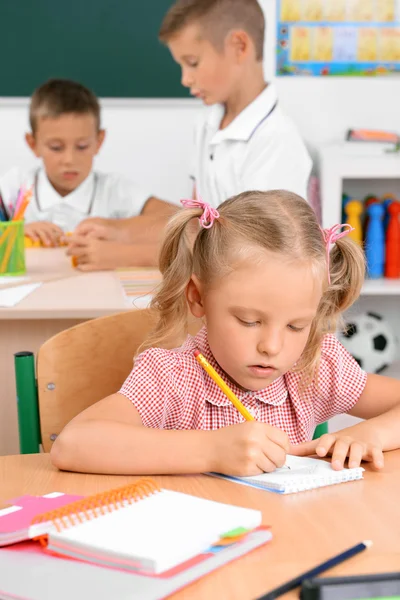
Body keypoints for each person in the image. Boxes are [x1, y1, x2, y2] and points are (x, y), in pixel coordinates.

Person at [51, 189, 400, 476]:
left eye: (296, 325)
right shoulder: (171, 376)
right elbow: (74, 444)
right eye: (249, 321)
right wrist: (212, 451)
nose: (272, 346)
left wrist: (370, 433)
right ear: (198, 298)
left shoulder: (314, 364)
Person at [75, 0, 312, 269]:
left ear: (239, 46)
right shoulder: (208, 123)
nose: (185, 79)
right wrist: (118, 231)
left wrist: (125, 254)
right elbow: (197, 223)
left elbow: (249, 252)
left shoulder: (275, 141)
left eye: (192, 63)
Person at [0, 79, 176, 267]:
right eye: (56, 147)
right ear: (33, 144)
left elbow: (179, 220)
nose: (69, 159)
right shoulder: (16, 185)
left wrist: (119, 230)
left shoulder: (114, 190)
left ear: (99, 141)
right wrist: (15, 234)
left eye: (82, 146)